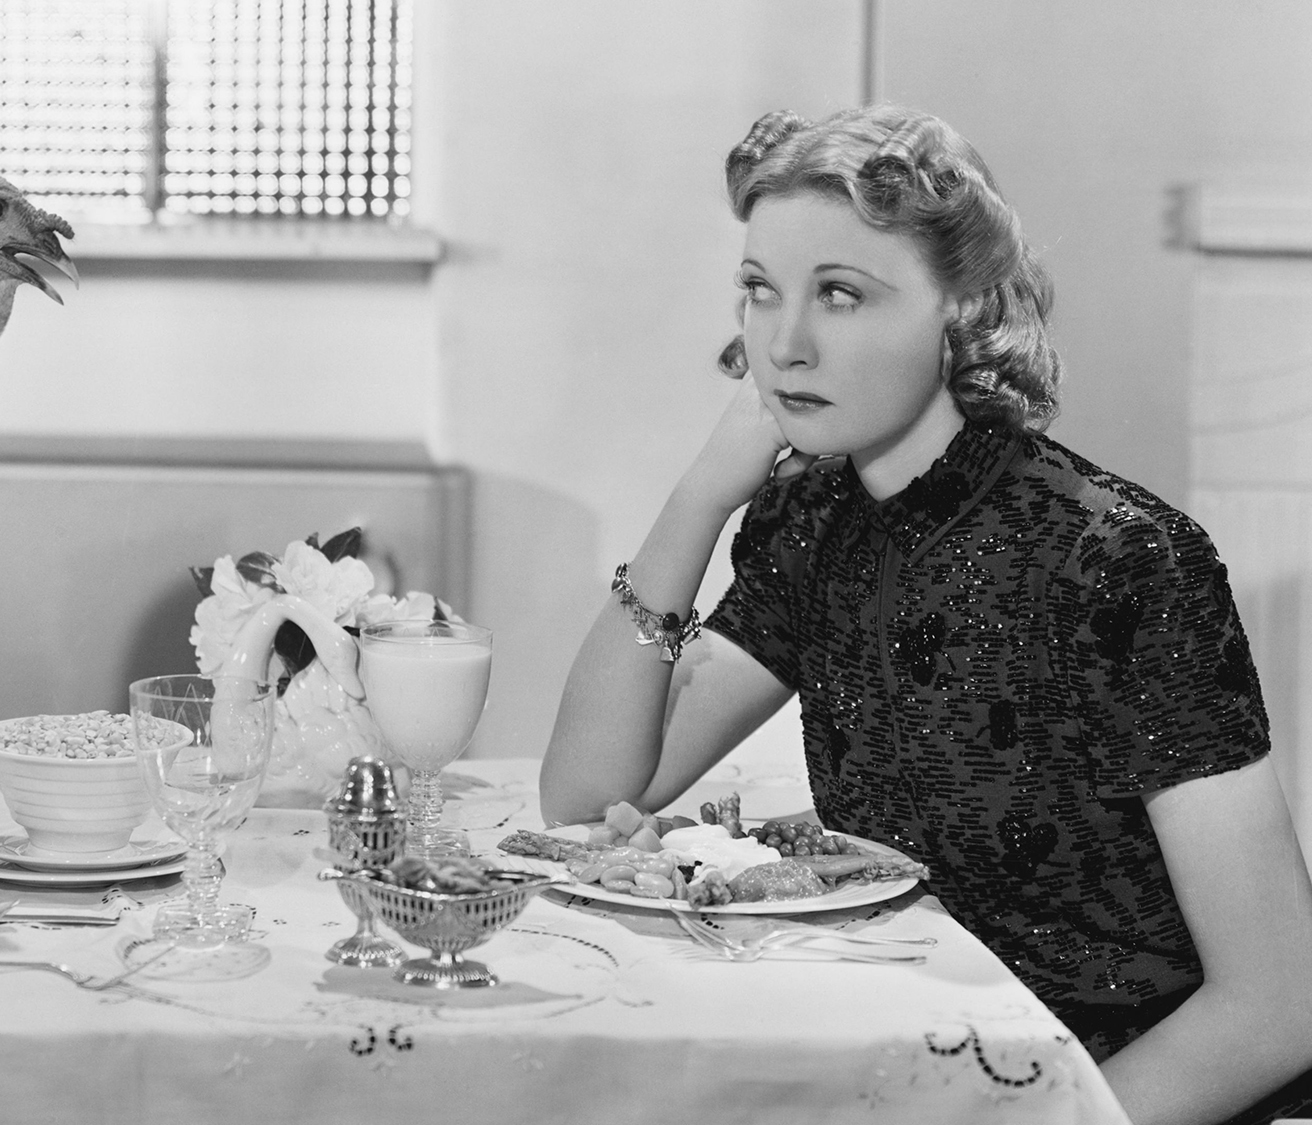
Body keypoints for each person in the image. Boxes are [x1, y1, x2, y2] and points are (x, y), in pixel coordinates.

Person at [539, 104, 1312, 1125]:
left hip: (1119, 1097)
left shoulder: (1117, 557)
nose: (785, 345)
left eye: (841, 295)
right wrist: (696, 499)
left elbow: (1276, 1008)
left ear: (957, 305)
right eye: (759, 291)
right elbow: (590, 792)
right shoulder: (809, 520)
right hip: (908, 1072)